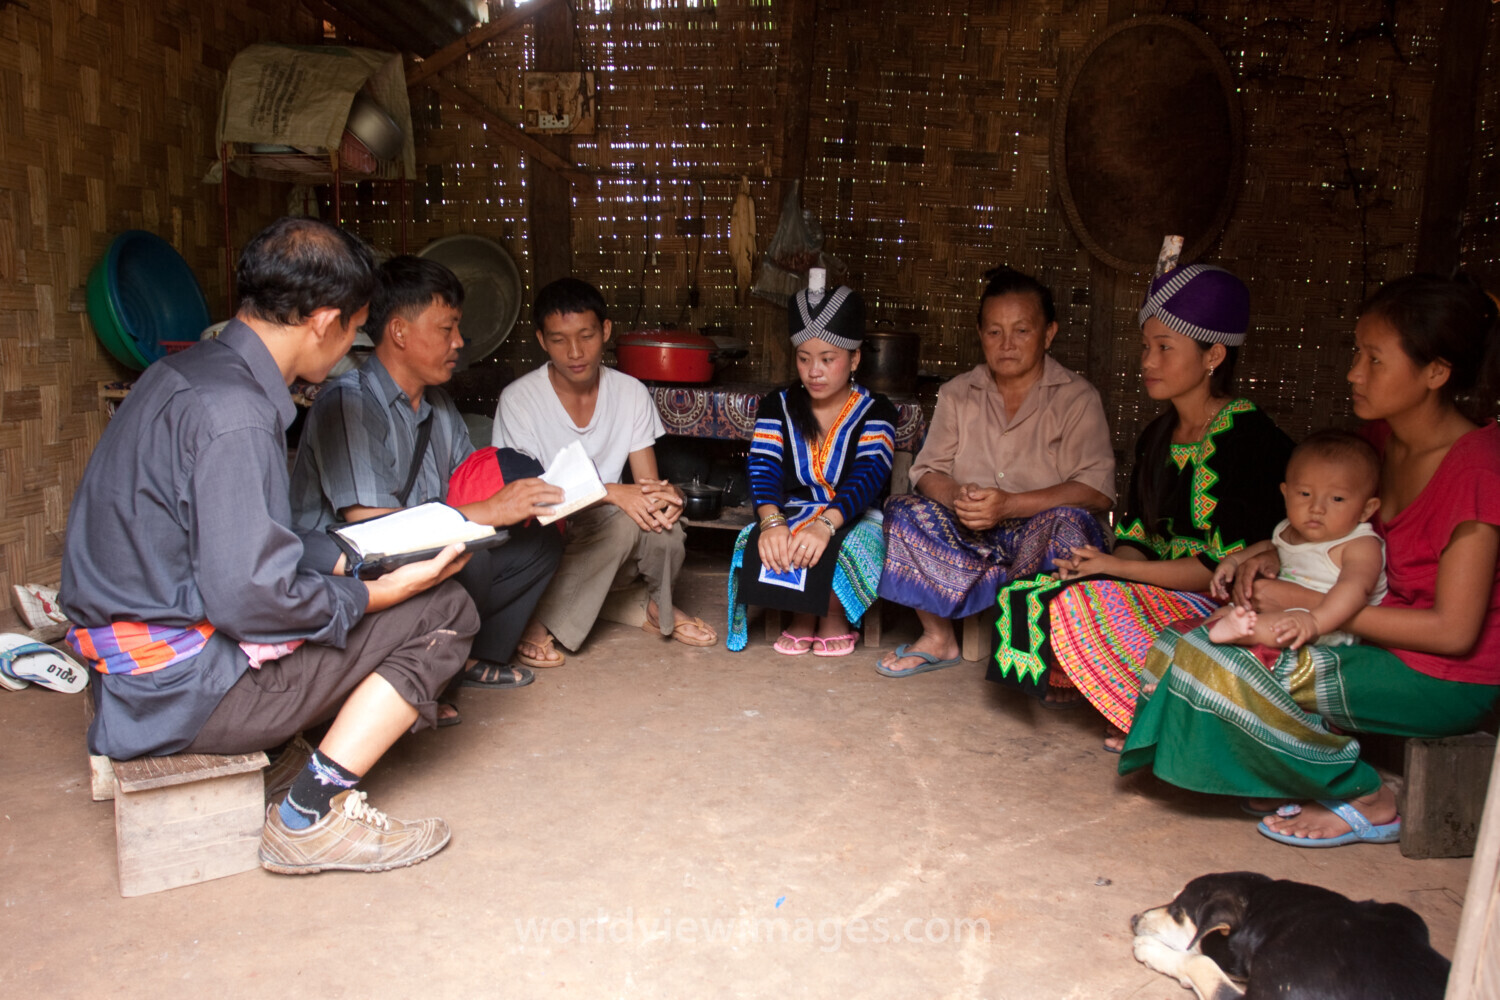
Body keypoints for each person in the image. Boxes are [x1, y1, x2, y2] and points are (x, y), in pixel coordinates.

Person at [60, 218, 480, 874]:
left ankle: (291, 769)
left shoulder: (190, 374)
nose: (350, 350)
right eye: (353, 330)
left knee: (353, 560)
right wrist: (377, 591)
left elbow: (227, 544)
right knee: (445, 611)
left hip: (136, 664)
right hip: (178, 692)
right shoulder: (237, 417)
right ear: (323, 321)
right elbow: (253, 601)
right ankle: (306, 818)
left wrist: (343, 554)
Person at [1121, 274, 1500, 848]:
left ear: (1436, 373)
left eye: (1373, 359)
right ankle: (1283, 768)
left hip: (1441, 676)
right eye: (1356, 353)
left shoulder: (1477, 471)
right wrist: (1270, 550)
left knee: (1223, 667)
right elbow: (1327, 525)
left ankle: (1365, 793)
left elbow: (1453, 632)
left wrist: (1308, 606)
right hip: (1368, 642)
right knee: (1183, 640)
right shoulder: (1376, 440)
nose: (1353, 372)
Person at [990, 263, 1293, 747]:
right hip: (1160, 590)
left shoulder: (1251, 441)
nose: (1147, 361)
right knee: (1039, 591)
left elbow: (1219, 570)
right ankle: (1122, 694)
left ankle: (1143, 707)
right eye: (1146, 346)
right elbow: (1137, 540)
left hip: (1227, 607)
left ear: (1213, 354)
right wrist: (1098, 565)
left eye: (1164, 348)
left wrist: (1115, 570)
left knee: (1093, 603)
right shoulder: (1156, 436)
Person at [290, 255, 565, 723]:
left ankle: (465, 655)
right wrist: (489, 511)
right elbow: (370, 528)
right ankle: (413, 672)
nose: (459, 342)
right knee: (468, 554)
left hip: (421, 546)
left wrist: (514, 503)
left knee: (538, 542)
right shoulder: (350, 402)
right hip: (350, 566)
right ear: (399, 331)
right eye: (447, 329)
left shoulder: (437, 404)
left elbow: (463, 488)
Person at [875, 267, 1115, 676]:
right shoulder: (958, 393)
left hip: (1036, 536)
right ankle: (939, 637)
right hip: (968, 531)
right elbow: (927, 470)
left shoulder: (1076, 398)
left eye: (1021, 331)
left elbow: (1097, 491)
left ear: (1049, 333)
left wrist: (1010, 506)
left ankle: (1050, 652)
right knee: (903, 510)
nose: (1006, 344)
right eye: (994, 332)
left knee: (1069, 526)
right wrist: (956, 497)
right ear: (980, 334)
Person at [493, 277, 717, 653]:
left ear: (606, 331)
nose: (575, 351)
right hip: (549, 535)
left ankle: (657, 604)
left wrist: (668, 495)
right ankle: (542, 618)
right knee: (622, 527)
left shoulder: (630, 393)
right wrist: (611, 493)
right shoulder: (519, 400)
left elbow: (646, 485)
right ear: (542, 341)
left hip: (608, 534)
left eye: (586, 335)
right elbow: (527, 499)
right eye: (559, 339)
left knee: (662, 522)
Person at [726, 280, 898, 655]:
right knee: (764, 539)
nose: (814, 371)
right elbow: (763, 465)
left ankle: (834, 617)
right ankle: (800, 615)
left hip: (854, 513)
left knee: (848, 545)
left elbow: (869, 476)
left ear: (854, 359)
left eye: (827, 358)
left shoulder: (876, 410)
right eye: (804, 358)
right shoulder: (779, 405)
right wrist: (772, 522)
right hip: (793, 508)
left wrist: (825, 525)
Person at [1206, 430, 1386, 649]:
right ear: (1286, 493)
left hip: (1328, 625)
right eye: (1305, 494)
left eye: (1337, 499)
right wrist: (1233, 561)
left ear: (1366, 510)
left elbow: (1354, 588)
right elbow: (1270, 547)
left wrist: (1315, 621)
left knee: (1272, 629)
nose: (1316, 508)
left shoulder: (1360, 545)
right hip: (1273, 611)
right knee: (1217, 617)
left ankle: (1239, 632)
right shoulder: (1288, 530)